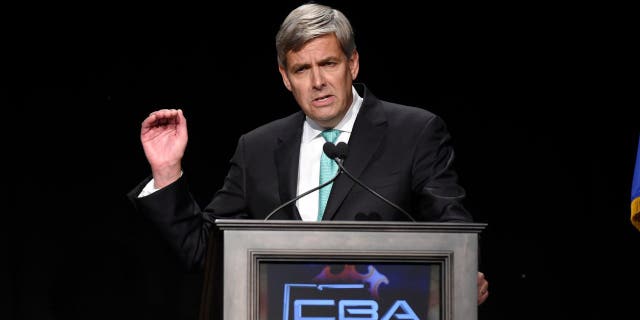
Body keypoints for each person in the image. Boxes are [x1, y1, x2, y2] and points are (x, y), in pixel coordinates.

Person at [127, 2, 489, 305]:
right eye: (302, 69)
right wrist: (168, 172)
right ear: (286, 77)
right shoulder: (258, 148)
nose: (318, 81)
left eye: (329, 64)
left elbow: (451, 230)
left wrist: (461, 274)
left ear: (353, 64)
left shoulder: (413, 132)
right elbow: (206, 254)